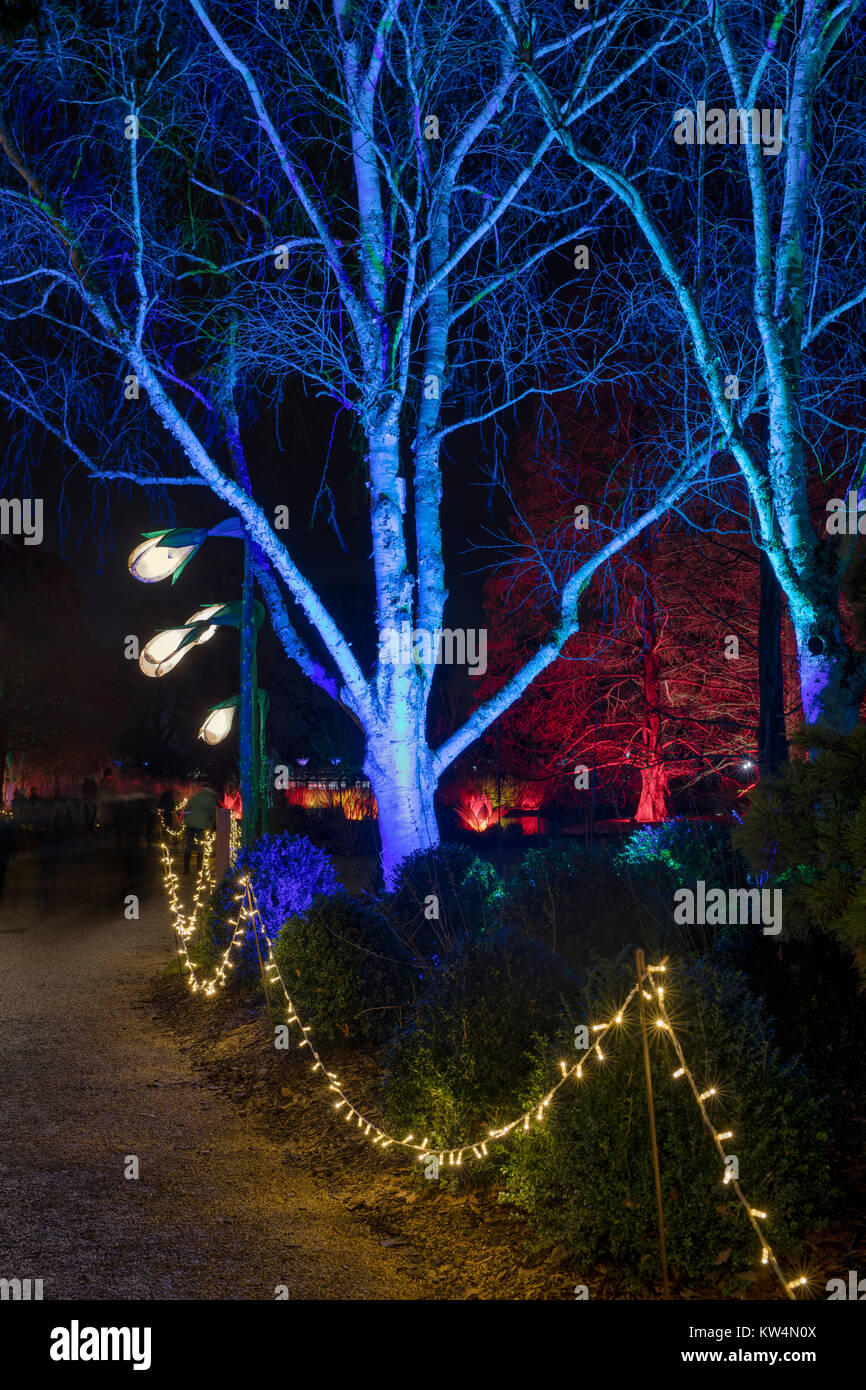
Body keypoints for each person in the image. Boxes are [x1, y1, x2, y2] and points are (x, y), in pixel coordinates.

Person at [183, 784, 218, 873]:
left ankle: (186, 869)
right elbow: (213, 813)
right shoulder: (210, 799)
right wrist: (214, 822)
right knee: (200, 845)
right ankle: (199, 868)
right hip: (201, 825)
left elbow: (187, 809)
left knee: (189, 844)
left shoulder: (194, 797)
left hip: (190, 823)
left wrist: (186, 818)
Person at [0, 813, 15, 903]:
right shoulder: (7, 826)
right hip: (3, 856)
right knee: (2, 875)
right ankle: (1, 892)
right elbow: (11, 841)